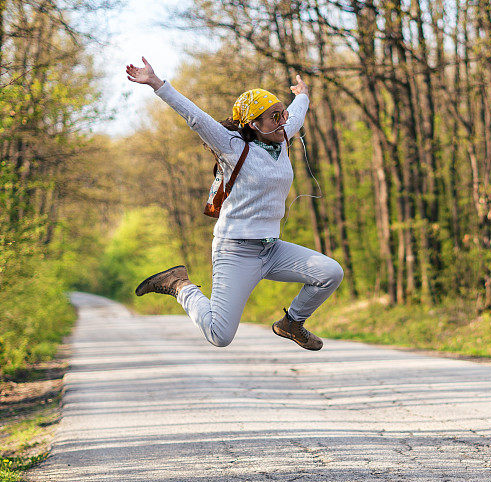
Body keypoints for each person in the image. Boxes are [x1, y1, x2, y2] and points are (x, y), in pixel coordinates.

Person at [125, 57, 343, 351]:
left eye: (282, 114)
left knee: (330, 273)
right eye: (275, 117)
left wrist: (302, 95)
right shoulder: (232, 146)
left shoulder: (280, 138)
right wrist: (156, 83)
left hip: (272, 248)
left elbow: (297, 115)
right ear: (254, 124)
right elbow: (196, 117)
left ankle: (292, 322)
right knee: (220, 335)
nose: (283, 121)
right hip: (235, 249)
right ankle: (180, 285)